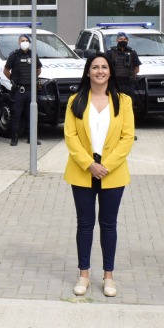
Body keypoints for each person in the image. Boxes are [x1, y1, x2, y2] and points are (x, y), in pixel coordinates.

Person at [63, 52, 135, 298]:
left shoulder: (123, 101)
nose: (100, 71)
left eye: (104, 67)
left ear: (110, 72)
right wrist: (89, 164)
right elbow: (70, 137)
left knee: (108, 224)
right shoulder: (76, 100)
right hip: (82, 172)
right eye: (95, 67)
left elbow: (127, 137)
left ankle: (108, 276)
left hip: (112, 173)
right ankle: (83, 274)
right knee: (84, 225)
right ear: (87, 72)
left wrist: (107, 165)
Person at [4, 33, 41, 146]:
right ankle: (14, 138)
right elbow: (6, 71)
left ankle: (32, 138)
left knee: (32, 115)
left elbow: (38, 70)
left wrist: (33, 78)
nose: (24, 42)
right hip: (19, 90)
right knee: (16, 115)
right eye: (22, 40)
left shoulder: (33, 55)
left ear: (29, 43)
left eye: (26, 40)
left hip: (31, 90)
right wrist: (13, 79)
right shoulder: (14, 55)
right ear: (19, 43)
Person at [108, 31, 141, 131]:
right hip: (115, 84)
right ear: (116, 40)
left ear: (128, 41)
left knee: (128, 108)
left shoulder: (132, 52)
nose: (123, 41)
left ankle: (128, 130)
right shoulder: (110, 52)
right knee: (113, 106)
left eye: (125, 39)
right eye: (121, 39)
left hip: (128, 84)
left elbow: (136, 68)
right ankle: (114, 130)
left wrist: (130, 76)